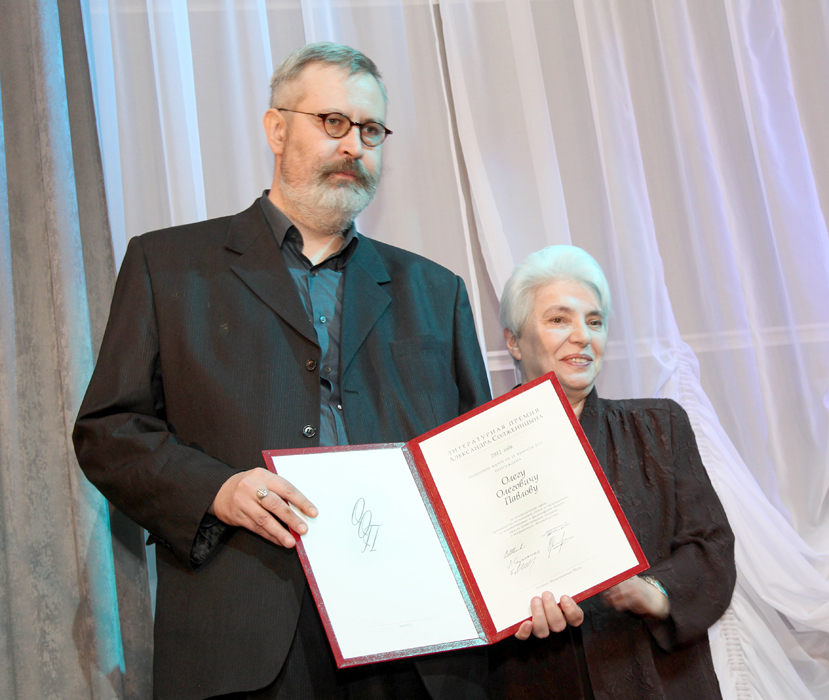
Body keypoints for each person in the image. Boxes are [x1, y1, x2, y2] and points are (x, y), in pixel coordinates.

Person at [73, 43, 492, 700]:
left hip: (416, 644)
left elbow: (475, 461)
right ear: (276, 129)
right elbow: (109, 430)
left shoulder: (437, 291)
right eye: (334, 122)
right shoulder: (168, 265)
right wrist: (216, 490)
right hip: (245, 637)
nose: (353, 146)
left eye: (371, 131)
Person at [490, 245, 736, 699]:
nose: (582, 336)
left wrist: (657, 591)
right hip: (538, 679)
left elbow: (713, 548)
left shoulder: (659, 426)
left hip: (661, 680)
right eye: (559, 319)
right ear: (513, 341)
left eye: (595, 321)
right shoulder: (478, 454)